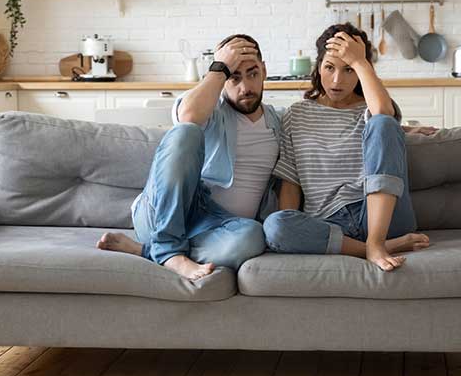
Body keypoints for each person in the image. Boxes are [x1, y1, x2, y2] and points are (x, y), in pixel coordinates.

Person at [97, 34, 282, 280]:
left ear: (264, 70)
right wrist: (219, 68)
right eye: (234, 77)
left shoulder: (278, 123)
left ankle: (148, 251)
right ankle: (168, 248)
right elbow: (188, 115)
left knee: (253, 237)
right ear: (222, 77)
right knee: (186, 131)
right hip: (165, 215)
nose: (245, 87)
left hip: (218, 228)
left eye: (253, 74)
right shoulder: (210, 110)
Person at [262, 23, 429, 272]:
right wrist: (294, 225)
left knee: (384, 123)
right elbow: (291, 180)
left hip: (382, 215)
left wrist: (361, 61)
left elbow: (383, 114)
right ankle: (379, 247)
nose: (337, 80)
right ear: (318, 67)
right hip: (330, 223)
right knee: (275, 225)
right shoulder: (296, 114)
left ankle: (377, 240)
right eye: (329, 67)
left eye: (349, 69)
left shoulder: (374, 107)